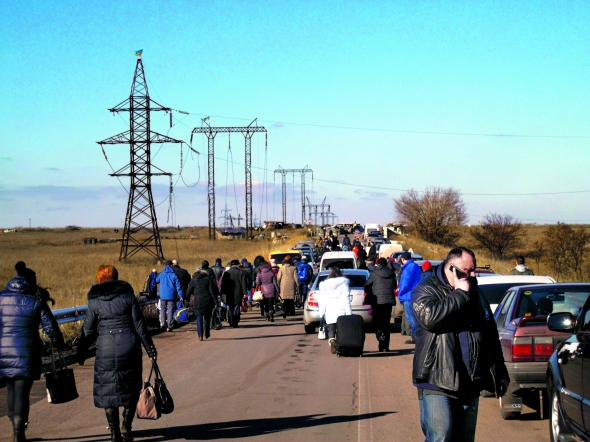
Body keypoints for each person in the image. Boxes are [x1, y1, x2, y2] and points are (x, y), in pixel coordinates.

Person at [411, 247, 510, 442]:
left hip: (470, 381)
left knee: (464, 439)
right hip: (437, 379)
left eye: (474, 269)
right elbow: (431, 318)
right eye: (467, 270)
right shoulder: (425, 289)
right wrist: (459, 294)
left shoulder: (476, 292)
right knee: (441, 436)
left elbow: (489, 333)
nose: (472, 275)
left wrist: (500, 371)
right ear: (452, 269)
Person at [77, 264, 157, 442]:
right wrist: (150, 349)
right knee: (130, 386)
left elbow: (88, 331)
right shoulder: (128, 297)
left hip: (105, 347)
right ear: (116, 276)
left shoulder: (95, 301)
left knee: (108, 391)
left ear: (100, 279)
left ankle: (114, 434)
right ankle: (126, 426)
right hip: (129, 346)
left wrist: (81, 353)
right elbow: (139, 326)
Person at [0, 264, 64, 442]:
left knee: (11, 390)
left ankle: (15, 427)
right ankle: (18, 435)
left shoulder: (1, 297)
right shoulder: (35, 300)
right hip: (26, 352)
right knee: (22, 392)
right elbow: (50, 327)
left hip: (3, 351)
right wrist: (59, 342)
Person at [317, 266, 352, 354]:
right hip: (341, 312)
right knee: (341, 330)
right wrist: (349, 314)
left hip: (330, 312)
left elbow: (322, 301)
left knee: (331, 329)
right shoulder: (344, 284)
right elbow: (346, 299)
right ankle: (340, 347)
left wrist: (321, 313)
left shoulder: (324, 285)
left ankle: (332, 340)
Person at [364, 258, 397, 352]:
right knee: (386, 323)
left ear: (378, 264)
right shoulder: (391, 273)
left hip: (377, 301)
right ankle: (384, 347)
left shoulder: (374, 273)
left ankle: (379, 334)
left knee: (376, 321)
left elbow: (367, 285)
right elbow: (394, 286)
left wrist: (369, 293)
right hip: (388, 301)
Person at [187, 261, 218, 340]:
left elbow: (189, 290)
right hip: (207, 301)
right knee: (207, 317)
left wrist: (186, 298)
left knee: (199, 318)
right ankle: (206, 334)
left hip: (197, 301)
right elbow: (212, 292)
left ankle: (200, 335)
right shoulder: (207, 279)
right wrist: (215, 301)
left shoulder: (194, 280)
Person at [398, 252, 422, 345]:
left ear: (403, 259)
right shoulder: (415, 266)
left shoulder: (408, 268)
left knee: (410, 317)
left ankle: (415, 336)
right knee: (415, 317)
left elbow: (405, 283)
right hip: (415, 295)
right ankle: (416, 335)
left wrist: (400, 293)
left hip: (408, 296)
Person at [156, 260, 182, 332]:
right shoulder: (173, 275)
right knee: (170, 310)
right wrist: (180, 295)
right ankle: (169, 325)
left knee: (162, 309)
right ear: (171, 265)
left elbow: (156, 280)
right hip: (171, 295)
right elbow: (178, 286)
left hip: (162, 295)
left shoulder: (161, 274)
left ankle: (163, 323)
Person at [219, 259, 247, 327]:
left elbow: (223, 284)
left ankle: (231, 321)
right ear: (238, 265)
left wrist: (222, 292)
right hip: (238, 293)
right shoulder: (241, 273)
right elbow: (243, 284)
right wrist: (244, 293)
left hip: (228, 293)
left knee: (230, 307)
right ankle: (235, 322)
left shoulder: (226, 273)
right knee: (236, 307)